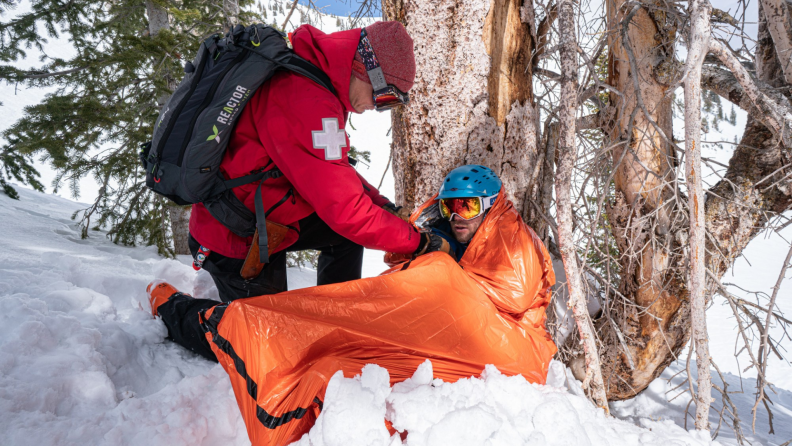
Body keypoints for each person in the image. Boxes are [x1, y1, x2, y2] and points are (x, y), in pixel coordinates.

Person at [146, 165, 556, 446]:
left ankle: (195, 314)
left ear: (490, 207)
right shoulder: (450, 237)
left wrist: (440, 268)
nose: (456, 216)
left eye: (466, 207)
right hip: (445, 323)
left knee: (306, 339)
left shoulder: (511, 241)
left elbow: (509, 294)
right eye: (450, 206)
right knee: (299, 328)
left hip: (501, 343)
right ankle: (181, 310)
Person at [188, 21, 449, 303]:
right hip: (234, 235)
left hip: (270, 215)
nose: (377, 107)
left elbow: (331, 171)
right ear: (365, 70)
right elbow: (345, 211)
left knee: (346, 238)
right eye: (384, 96)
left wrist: (381, 203)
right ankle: (172, 307)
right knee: (263, 344)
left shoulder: (318, 84)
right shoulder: (306, 100)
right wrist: (417, 241)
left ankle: (334, 313)